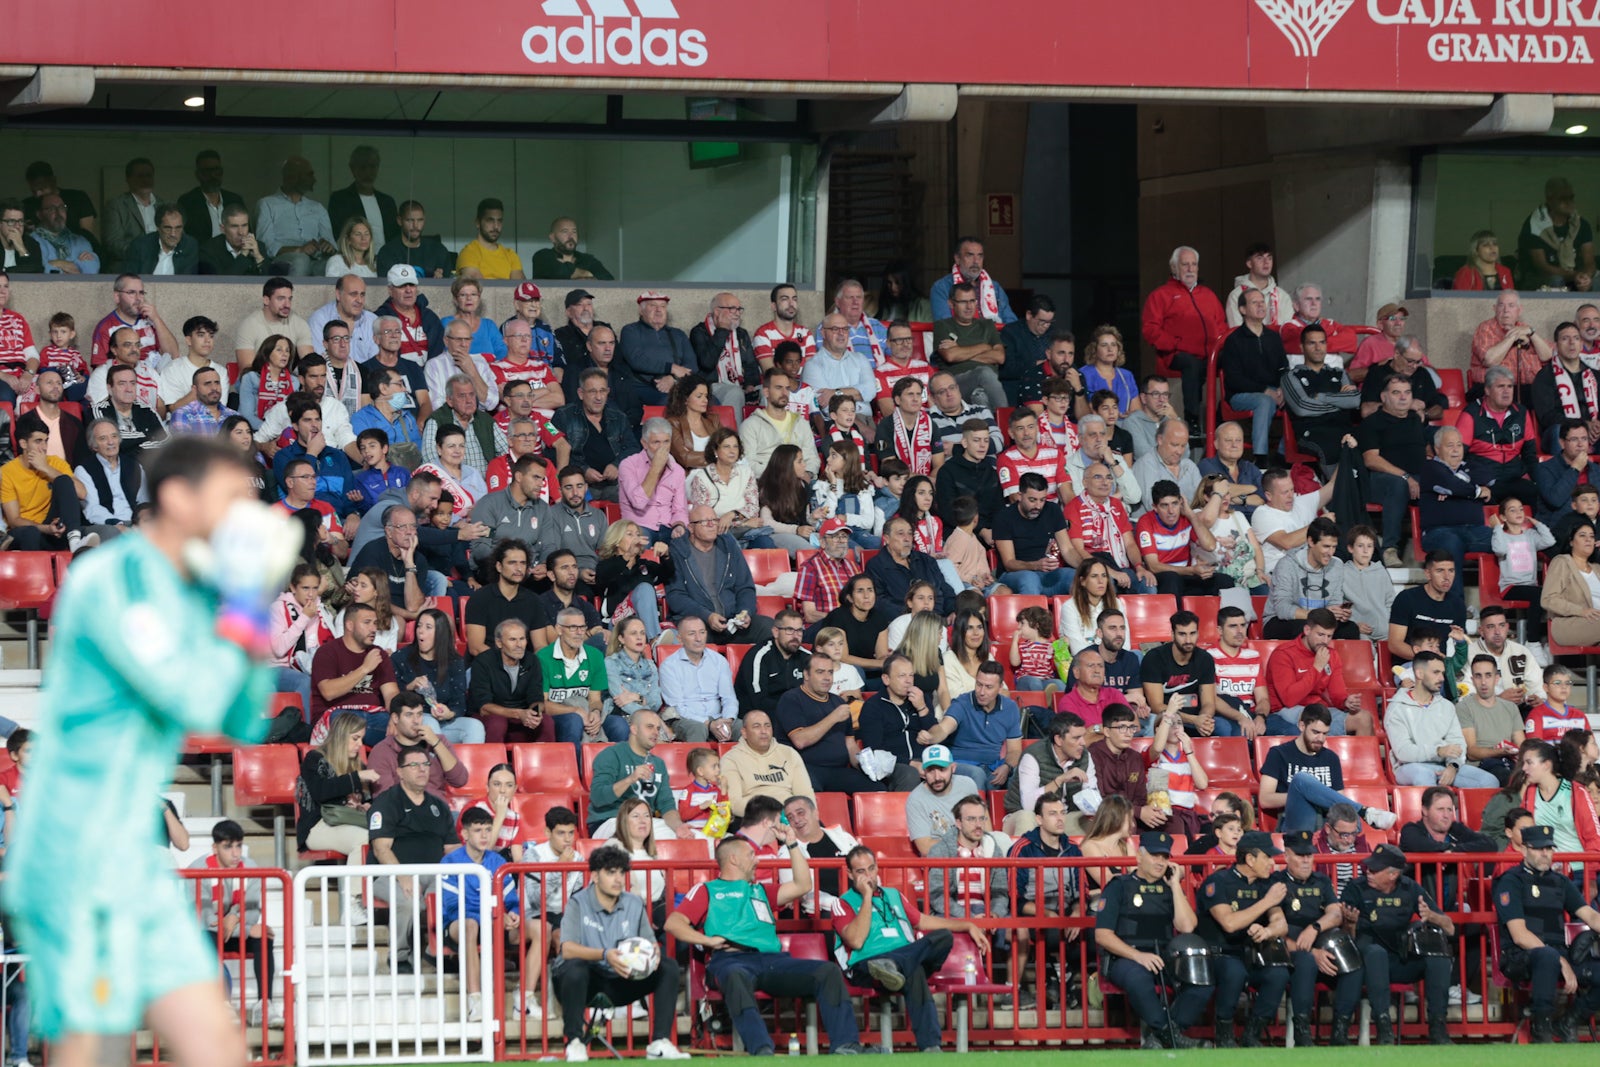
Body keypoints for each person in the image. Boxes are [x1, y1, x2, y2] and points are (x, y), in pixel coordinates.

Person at [4, 437, 298, 1067]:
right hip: (75, 846)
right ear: (175, 497)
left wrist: (248, 600)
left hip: (130, 857)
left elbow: (241, 717)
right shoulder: (108, 579)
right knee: (96, 1047)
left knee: (217, 1045)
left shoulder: (193, 591)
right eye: (226, 498)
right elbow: (186, 692)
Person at [666, 832, 869, 1056]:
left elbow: (803, 885)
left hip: (771, 960)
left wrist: (791, 843)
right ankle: (762, 1051)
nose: (757, 860)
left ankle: (846, 1046)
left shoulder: (761, 890)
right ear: (733, 859)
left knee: (827, 971)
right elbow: (673, 923)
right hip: (730, 960)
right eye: (751, 854)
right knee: (735, 976)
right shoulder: (707, 890)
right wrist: (706, 940)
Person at [833, 845, 986, 1053]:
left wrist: (967, 924)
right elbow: (856, 941)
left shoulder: (893, 894)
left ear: (877, 867)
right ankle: (931, 1046)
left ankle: (896, 965)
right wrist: (867, 897)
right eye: (860, 871)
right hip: (868, 966)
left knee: (943, 937)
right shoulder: (841, 903)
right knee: (915, 972)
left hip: (900, 963)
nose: (868, 876)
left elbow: (922, 921)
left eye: (871, 868)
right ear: (849, 874)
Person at [555, 850, 686, 1063]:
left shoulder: (634, 904)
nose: (618, 879)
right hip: (586, 983)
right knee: (575, 967)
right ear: (595, 876)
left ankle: (659, 1042)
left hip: (623, 979)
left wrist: (651, 954)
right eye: (611, 872)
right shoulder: (577, 903)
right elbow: (567, 949)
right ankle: (574, 1042)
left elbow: (649, 942)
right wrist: (605, 955)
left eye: (621, 873)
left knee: (668, 967)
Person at [1094, 831, 1211, 1049]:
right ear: (1139, 856)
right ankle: (1172, 1036)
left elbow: (1187, 927)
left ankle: (1159, 1038)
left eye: (1165, 857)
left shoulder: (1170, 888)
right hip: (1126, 957)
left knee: (1201, 981)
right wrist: (1138, 956)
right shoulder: (1119, 886)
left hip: (1165, 956)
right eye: (1155, 856)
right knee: (1140, 979)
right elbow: (1103, 935)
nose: (1160, 862)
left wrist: (1176, 885)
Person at [1494, 822, 1600, 1042]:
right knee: (1547, 955)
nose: (1545, 854)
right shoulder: (1511, 881)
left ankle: (1570, 1020)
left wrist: (1561, 958)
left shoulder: (1560, 882)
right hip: (1520, 957)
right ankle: (1540, 1028)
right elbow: (1519, 936)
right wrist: (1560, 960)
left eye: (1549, 848)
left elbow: (1590, 916)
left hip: (1558, 953)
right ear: (1523, 850)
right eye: (1538, 848)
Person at [1341, 843, 1456, 1046]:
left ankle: (1438, 1028)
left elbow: (1450, 928)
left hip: (1400, 958)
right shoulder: (1355, 888)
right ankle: (1384, 1028)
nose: (1369, 872)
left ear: (1393, 875)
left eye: (1375, 870)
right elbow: (1346, 938)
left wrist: (1432, 917)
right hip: (1367, 963)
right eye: (1368, 867)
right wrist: (1350, 924)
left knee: (1439, 957)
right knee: (1376, 954)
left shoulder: (1410, 888)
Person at [1196, 830, 1290, 1048]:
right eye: (1267, 857)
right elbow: (1229, 923)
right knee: (1234, 971)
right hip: (1219, 955)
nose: (1272, 863)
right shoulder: (1218, 881)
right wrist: (1266, 903)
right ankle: (1224, 1035)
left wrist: (1268, 931)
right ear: (1249, 859)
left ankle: (1252, 1034)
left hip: (1253, 954)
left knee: (1279, 973)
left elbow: (1281, 924)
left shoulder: (1266, 884)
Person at [1273, 829, 1363, 1045]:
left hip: (1320, 942)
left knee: (1353, 962)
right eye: (1300, 856)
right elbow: (1273, 930)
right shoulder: (1275, 882)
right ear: (1286, 856)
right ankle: (1302, 1030)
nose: (1306, 861)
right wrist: (1312, 952)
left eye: (1309, 856)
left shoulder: (1321, 881)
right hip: (1289, 949)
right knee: (1305, 962)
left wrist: (1314, 927)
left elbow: (1335, 913)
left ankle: (1340, 1030)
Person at [190, 820, 281, 1026]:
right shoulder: (197, 870)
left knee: (263, 936)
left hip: (233, 933)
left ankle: (264, 1006)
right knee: (205, 937)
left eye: (239, 845)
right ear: (215, 848)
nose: (235, 853)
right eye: (228, 846)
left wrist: (235, 920)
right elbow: (203, 921)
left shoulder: (250, 867)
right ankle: (222, 1006)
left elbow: (251, 914)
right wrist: (233, 920)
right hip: (203, 936)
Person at [1256, 704, 1397, 833]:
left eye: (1325, 733)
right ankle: (1364, 812)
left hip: (1326, 822)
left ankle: (1360, 816)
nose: (1320, 738)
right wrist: (1301, 795)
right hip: (1296, 821)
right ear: (1301, 726)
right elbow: (1265, 799)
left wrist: (1318, 797)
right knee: (1301, 780)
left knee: (1352, 823)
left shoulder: (1331, 758)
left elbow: (1339, 801)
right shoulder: (1279, 754)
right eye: (1316, 732)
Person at [1141, 246, 1225, 432]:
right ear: (1174, 268)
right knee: (1191, 364)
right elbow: (1150, 329)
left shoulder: (1208, 295)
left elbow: (1222, 325)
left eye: (1193, 264)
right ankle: (1192, 419)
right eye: (1184, 264)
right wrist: (1175, 344)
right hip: (1177, 355)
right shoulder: (1161, 295)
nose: (1190, 269)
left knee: (1233, 359)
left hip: (1209, 354)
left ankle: (1223, 415)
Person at [1385, 651, 1499, 788]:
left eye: (1442, 673)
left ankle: (1454, 809)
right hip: (1409, 767)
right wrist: (1438, 751)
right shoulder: (1397, 708)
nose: (1442, 678)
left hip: (1444, 765)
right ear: (1419, 674)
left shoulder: (1447, 706)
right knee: (1424, 776)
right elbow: (1403, 752)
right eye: (1436, 672)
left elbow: (1458, 743)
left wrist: (1453, 766)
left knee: (1489, 781)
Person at [664, 504, 770, 645]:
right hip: (698, 624)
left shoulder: (728, 546)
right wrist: (707, 616)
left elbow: (745, 587)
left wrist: (745, 612)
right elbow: (676, 597)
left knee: (774, 630)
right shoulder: (677, 550)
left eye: (714, 520)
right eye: (704, 522)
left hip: (733, 623)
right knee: (680, 640)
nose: (711, 525)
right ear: (691, 528)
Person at [918, 661, 1021, 792]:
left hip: (992, 767)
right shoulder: (962, 702)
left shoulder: (1010, 708)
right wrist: (931, 737)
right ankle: (975, 812)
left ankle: (1013, 812)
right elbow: (944, 728)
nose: (981, 692)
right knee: (977, 774)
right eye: (979, 684)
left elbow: (1015, 750)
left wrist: (1007, 766)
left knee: (1019, 770)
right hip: (962, 764)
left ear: (1000, 688)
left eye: (989, 687)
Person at [0, 424, 98, 553]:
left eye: (46, 441)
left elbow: (82, 493)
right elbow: (14, 520)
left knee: (63, 479)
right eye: (38, 441)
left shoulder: (55, 463)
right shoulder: (7, 472)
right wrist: (45, 528)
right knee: (30, 533)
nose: (44, 447)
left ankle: (75, 540)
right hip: (28, 530)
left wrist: (46, 468)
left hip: (56, 530)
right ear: (23, 444)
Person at [1218, 288, 1289, 463]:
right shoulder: (1234, 340)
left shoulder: (1273, 337)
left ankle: (1282, 455)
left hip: (1272, 390)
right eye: (1254, 302)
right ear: (1242, 309)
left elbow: (1284, 369)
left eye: (1262, 302)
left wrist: (1283, 388)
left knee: (1296, 397)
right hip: (1241, 394)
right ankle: (1261, 457)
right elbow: (1234, 379)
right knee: (1264, 401)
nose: (1260, 305)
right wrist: (1265, 391)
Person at [657, 615, 740, 743]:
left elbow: (729, 698)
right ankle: (699, 763)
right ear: (679, 639)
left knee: (745, 727)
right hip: (685, 719)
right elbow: (678, 707)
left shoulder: (719, 661)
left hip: (719, 717)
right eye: (692, 634)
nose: (698, 638)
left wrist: (728, 720)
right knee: (698, 728)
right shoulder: (669, 666)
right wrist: (708, 723)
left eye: (702, 632)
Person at [721, 708, 814, 818]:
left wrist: (800, 815)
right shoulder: (731, 759)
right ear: (744, 733)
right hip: (755, 817)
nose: (764, 731)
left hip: (791, 816)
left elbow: (805, 794)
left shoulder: (789, 753)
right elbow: (734, 803)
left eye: (767, 726)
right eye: (756, 726)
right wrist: (769, 815)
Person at [254, 157, 335, 275]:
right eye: (309, 175)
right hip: (283, 262)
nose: (314, 180)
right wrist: (299, 250)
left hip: (316, 260)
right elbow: (265, 245)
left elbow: (330, 242)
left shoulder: (318, 208)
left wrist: (328, 247)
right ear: (292, 177)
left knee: (335, 263)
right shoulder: (267, 204)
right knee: (301, 260)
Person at [1457, 655, 1529, 786]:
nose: (1483, 682)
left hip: (1508, 762)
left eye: (1488, 675)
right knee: (1508, 778)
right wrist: (1500, 751)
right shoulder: (1464, 707)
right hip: (1480, 766)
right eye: (1478, 676)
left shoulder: (1511, 707)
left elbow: (1522, 745)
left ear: (1497, 679)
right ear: (1473, 680)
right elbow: (1472, 752)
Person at [1519, 740, 1600, 857]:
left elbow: (1594, 837)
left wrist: (1589, 871)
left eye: (1529, 763)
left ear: (1546, 765)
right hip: (1545, 870)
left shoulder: (1576, 792)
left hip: (1578, 870)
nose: (1524, 768)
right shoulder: (1529, 793)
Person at [1388, 550, 1468, 663]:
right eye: (1440, 571)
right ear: (1428, 574)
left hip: (1439, 669)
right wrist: (1429, 660)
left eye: (1451, 571)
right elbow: (1395, 644)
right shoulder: (1407, 598)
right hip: (1409, 667)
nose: (1447, 577)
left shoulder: (1457, 604)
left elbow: (1462, 644)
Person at [1518, 176, 1596, 291]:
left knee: (1595, 281)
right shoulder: (1534, 225)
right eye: (1563, 198)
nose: (1569, 202)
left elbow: (1589, 262)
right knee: (1556, 280)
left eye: (1571, 197)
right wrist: (1575, 275)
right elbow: (1542, 267)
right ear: (1550, 200)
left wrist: (1586, 277)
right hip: (1539, 278)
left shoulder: (1581, 224)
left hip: (1575, 276)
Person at [690, 293, 759, 413]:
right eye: (732, 309)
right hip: (712, 386)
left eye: (739, 309)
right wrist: (722, 330)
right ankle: (732, 432)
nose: (737, 313)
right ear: (717, 311)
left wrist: (749, 384)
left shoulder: (741, 334)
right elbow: (707, 363)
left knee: (770, 391)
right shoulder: (699, 332)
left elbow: (751, 365)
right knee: (735, 392)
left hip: (740, 384)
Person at [1541, 521, 1600, 647]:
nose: (1588, 540)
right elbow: (1548, 599)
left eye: (1591, 536)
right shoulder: (1562, 562)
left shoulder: (1597, 569)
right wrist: (1581, 611)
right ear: (1571, 542)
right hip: (1570, 623)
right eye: (1583, 535)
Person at [121, 204, 197, 276]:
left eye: (178, 228)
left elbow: (188, 282)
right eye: (168, 228)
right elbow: (129, 279)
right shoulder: (140, 246)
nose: (173, 234)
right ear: (158, 228)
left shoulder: (190, 246)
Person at [529, 216, 611, 281]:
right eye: (565, 231)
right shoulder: (542, 256)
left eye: (574, 232)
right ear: (552, 237)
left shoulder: (587, 259)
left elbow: (608, 280)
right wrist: (587, 274)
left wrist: (574, 273)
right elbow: (559, 272)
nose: (571, 236)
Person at [1525, 666, 1590, 742]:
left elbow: (1590, 747)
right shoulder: (1536, 715)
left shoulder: (1580, 715)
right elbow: (1534, 749)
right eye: (1557, 683)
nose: (1564, 687)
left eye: (1567, 683)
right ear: (1546, 687)